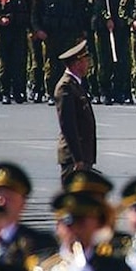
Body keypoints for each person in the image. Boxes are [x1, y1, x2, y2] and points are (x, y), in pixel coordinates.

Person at [54, 40, 96, 181]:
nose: (88, 64)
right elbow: (68, 126)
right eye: (86, 60)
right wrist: (77, 158)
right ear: (77, 64)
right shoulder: (65, 87)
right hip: (74, 159)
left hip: (83, 156)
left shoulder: (76, 84)